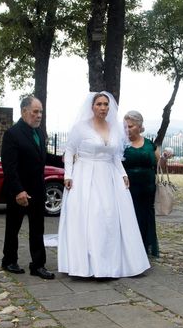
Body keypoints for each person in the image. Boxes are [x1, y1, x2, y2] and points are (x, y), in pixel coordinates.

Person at [57, 92, 150, 278]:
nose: (103, 107)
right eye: (99, 104)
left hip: (109, 177)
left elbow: (115, 155)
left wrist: (123, 174)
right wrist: (68, 174)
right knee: (91, 217)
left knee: (109, 218)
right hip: (85, 176)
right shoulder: (81, 127)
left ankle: (109, 264)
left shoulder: (115, 128)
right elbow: (69, 151)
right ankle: (88, 265)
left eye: (106, 104)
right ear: (92, 106)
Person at [0, 96, 64, 280]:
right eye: (35, 111)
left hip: (37, 189)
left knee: (38, 228)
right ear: (24, 111)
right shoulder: (12, 134)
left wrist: (63, 160)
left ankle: (38, 265)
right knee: (13, 227)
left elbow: (42, 157)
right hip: (18, 191)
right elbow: (9, 167)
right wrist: (18, 191)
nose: (39, 115)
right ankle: (9, 260)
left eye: (41, 112)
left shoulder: (39, 133)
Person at [122, 110, 165, 257]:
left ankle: (145, 246)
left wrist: (164, 157)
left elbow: (160, 165)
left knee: (145, 216)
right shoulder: (122, 144)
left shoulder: (149, 144)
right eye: (126, 126)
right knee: (130, 216)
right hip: (128, 188)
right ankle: (129, 248)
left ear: (140, 127)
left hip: (147, 188)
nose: (127, 129)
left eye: (131, 126)